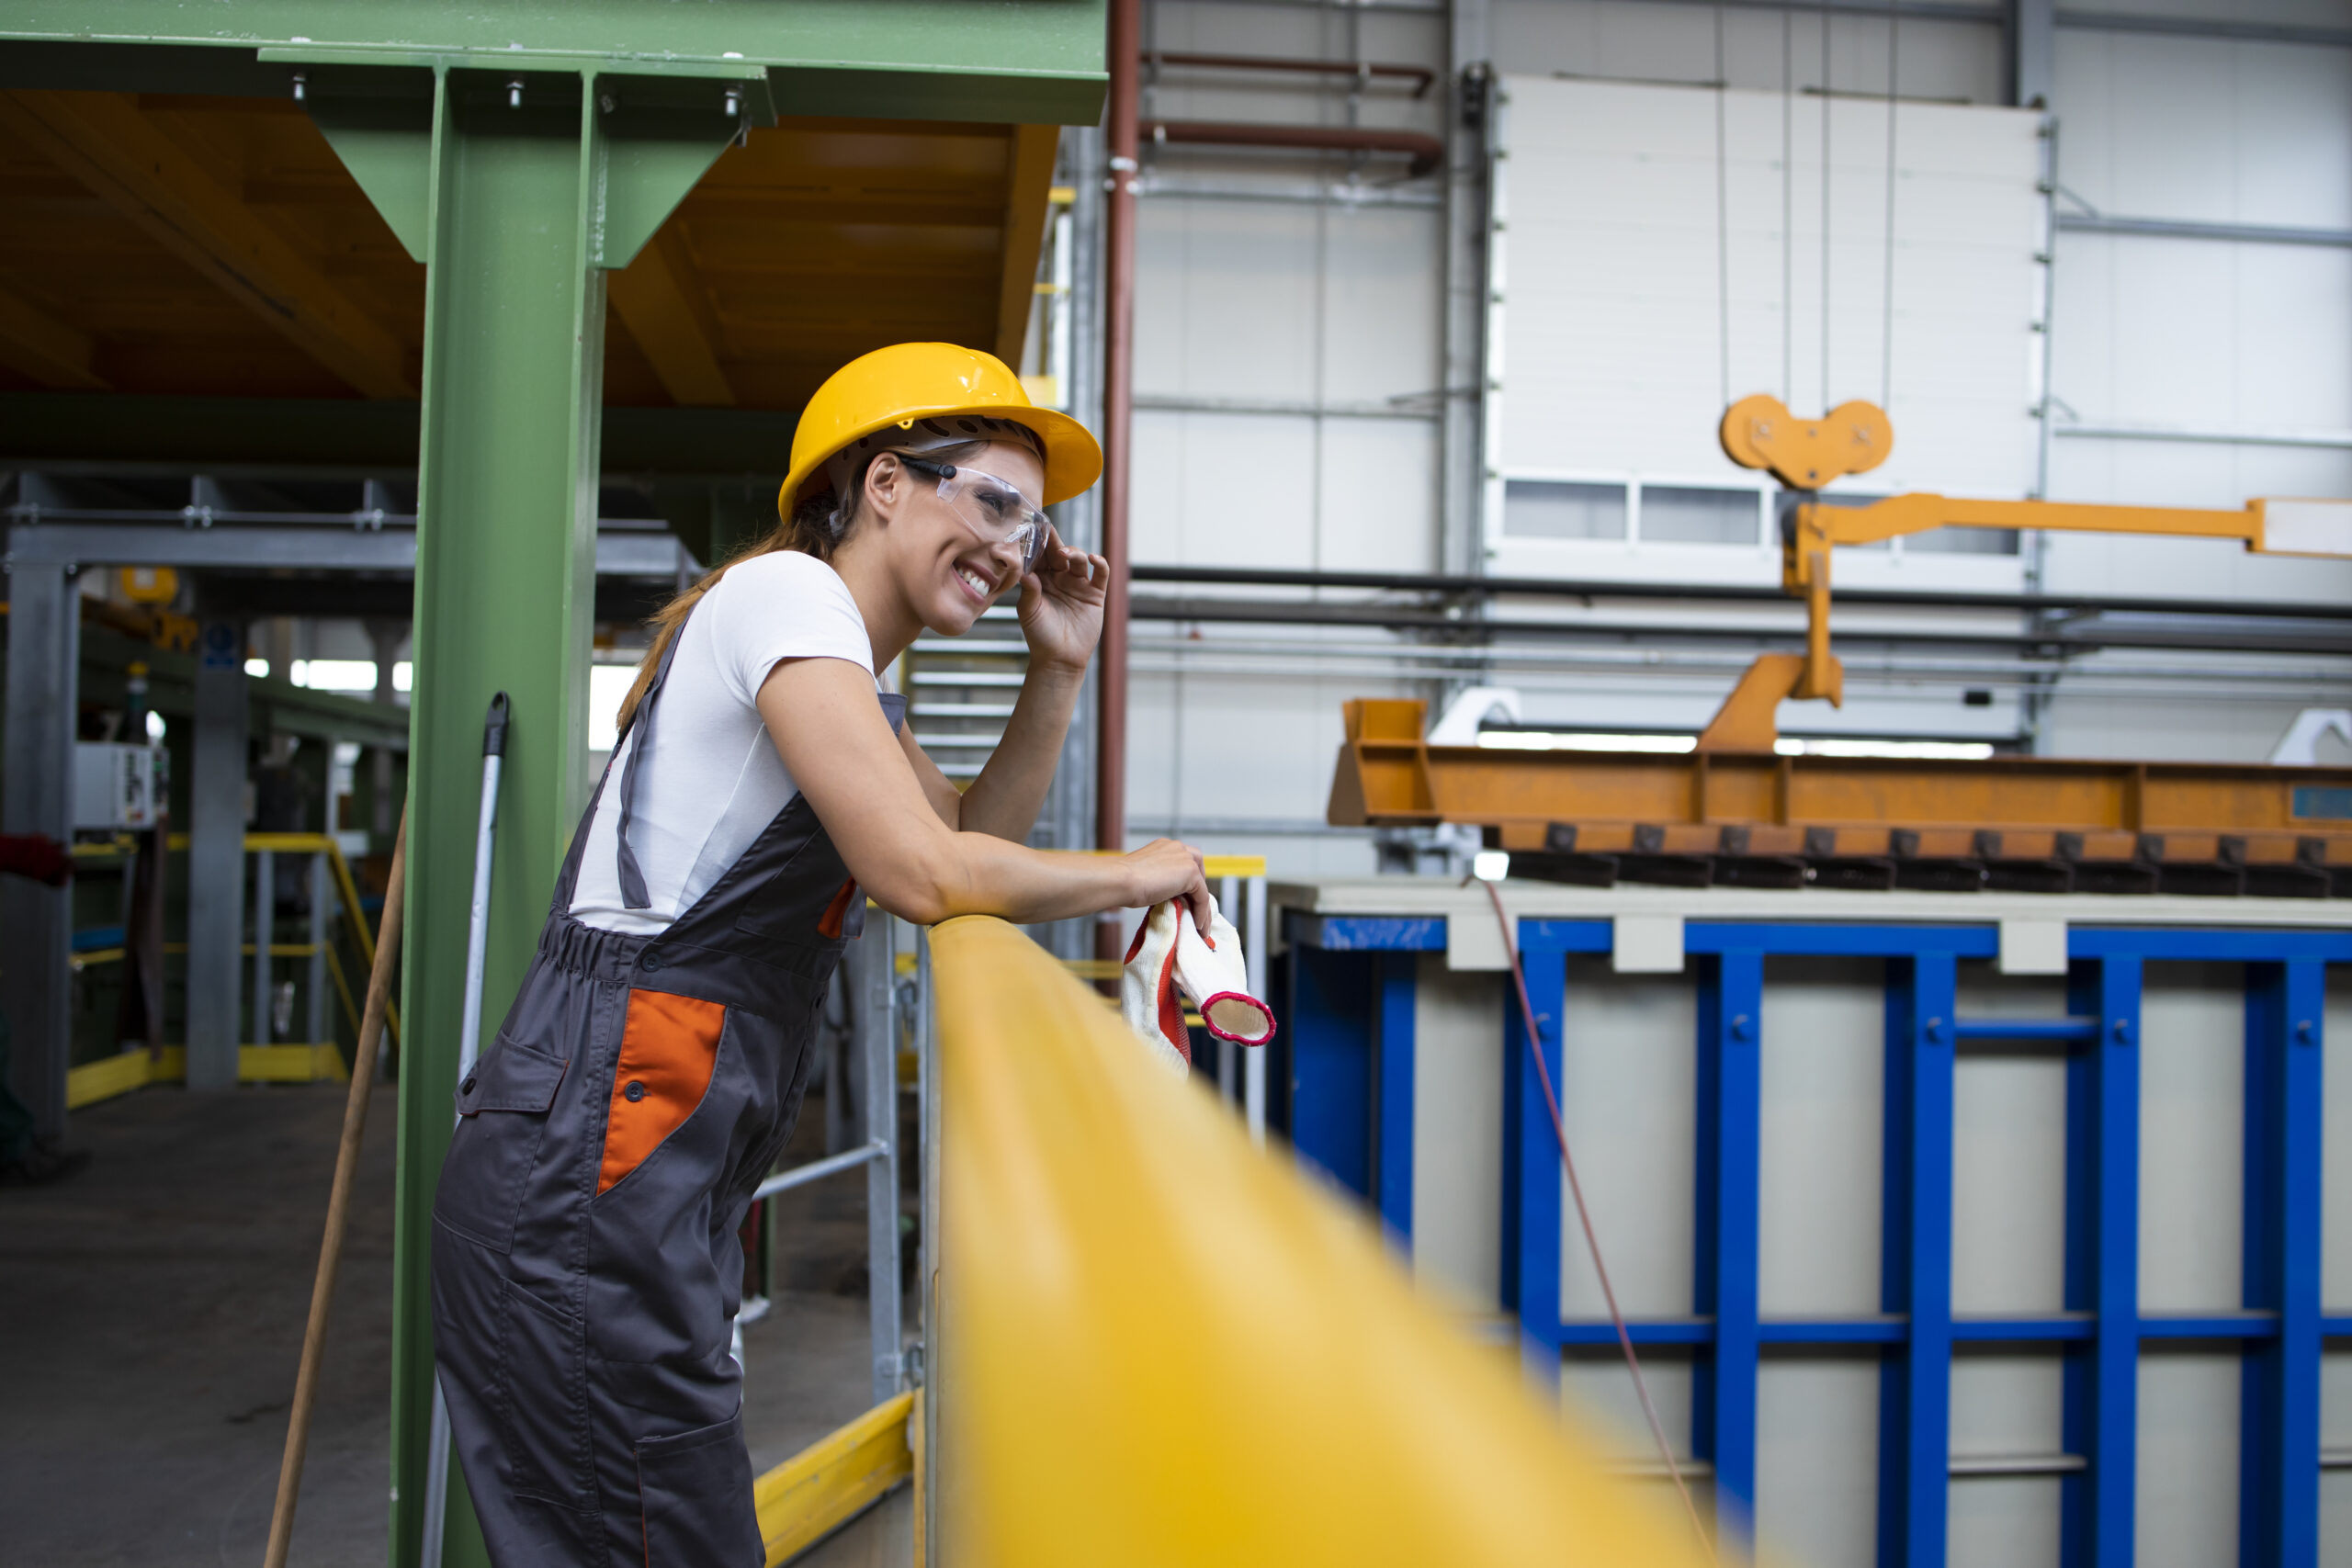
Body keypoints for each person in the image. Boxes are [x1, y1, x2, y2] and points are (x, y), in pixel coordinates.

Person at [430, 343, 1210, 1564]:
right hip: (599, 1146)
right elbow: (926, 876)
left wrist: (1055, 666)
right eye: (994, 503)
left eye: (1037, 521)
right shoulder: (789, 602)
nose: (1016, 548)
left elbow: (966, 854)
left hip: (638, 1151)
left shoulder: (846, 669)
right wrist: (1143, 871)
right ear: (886, 483)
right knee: (656, 1533)